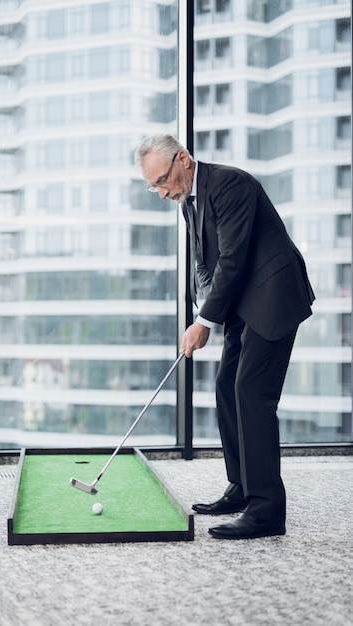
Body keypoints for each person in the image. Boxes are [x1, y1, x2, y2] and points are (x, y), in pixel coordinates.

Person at [135, 134, 315, 540]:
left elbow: (232, 259)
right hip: (243, 304)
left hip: (273, 296)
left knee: (252, 392)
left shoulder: (231, 184)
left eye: (163, 180)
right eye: (154, 187)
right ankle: (241, 487)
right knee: (225, 387)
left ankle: (267, 510)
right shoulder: (189, 202)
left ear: (183, 159)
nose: (162, 192)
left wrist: (204, 322)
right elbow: (206, 264)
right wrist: (205, 311)